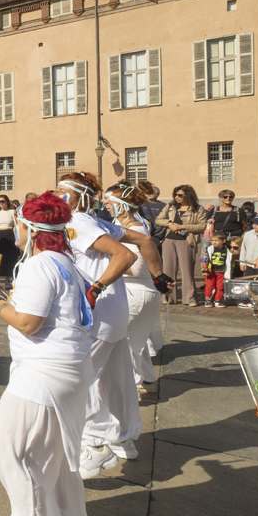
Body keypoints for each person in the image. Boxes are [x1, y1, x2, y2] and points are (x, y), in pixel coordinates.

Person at [0, 193, 95, 516]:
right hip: (67, 368)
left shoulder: (39, 265)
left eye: (21, 226)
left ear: (31, 230)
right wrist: (3, 294)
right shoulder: (65, 263)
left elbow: (27, 323)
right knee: (50, 452)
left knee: (10, 449)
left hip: (44, 372)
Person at [56, 173, 169, 478]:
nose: (58, 194)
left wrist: (96, 287)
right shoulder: (96, 221)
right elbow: (144, 240)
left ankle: (93, 444)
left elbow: (125, 254)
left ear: (79, 195)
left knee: (81, 377)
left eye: (63, 190)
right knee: (117, 380)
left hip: (99, 312)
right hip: (116, 310)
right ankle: (125, 438)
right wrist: (158, 276)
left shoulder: (78, 222)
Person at [102, 181, 163, 397]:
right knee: (137, 341)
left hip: (135, 293)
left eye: (111, 201)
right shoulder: (135, 224)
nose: (106, 204)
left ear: (123, 205)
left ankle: (127, 390)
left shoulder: (132, 228)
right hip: (145, 294)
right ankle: (147, 379)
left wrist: (100, 264)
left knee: (118, 343)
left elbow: (133, 268)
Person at [155, 185, 206, 305]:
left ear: (188, 195)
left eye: (180, 195)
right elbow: (158, 220)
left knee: (187, 270)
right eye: (175, 195)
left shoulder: (198, 209)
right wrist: (170, 224)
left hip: (187, 241)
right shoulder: (170, 207)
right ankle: (168, 297)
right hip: (169, 240)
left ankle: (190, 299)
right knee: (168, 270)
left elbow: (202, 226)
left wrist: (182, 227)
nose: (176, 197)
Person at [0, 196, 20, 285]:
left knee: (10, 258)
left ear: (7, 202)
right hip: (0, 235)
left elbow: (17, 223)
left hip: (10, 234)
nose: (1, 203)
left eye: (3, 201)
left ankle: (8, 279)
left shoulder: (12, 212)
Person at [201, 231, 231, 308]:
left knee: (220, 286)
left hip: (221, 271)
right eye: (212, 240)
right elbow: (204, 259)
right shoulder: (209, 249)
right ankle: (208, 300)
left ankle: (218, 300)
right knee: (209, 286)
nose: (214, 242)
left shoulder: (227, 250)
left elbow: (230, 261)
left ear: (223, 241)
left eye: (216, 240)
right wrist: (205, 270)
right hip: (211, 272)